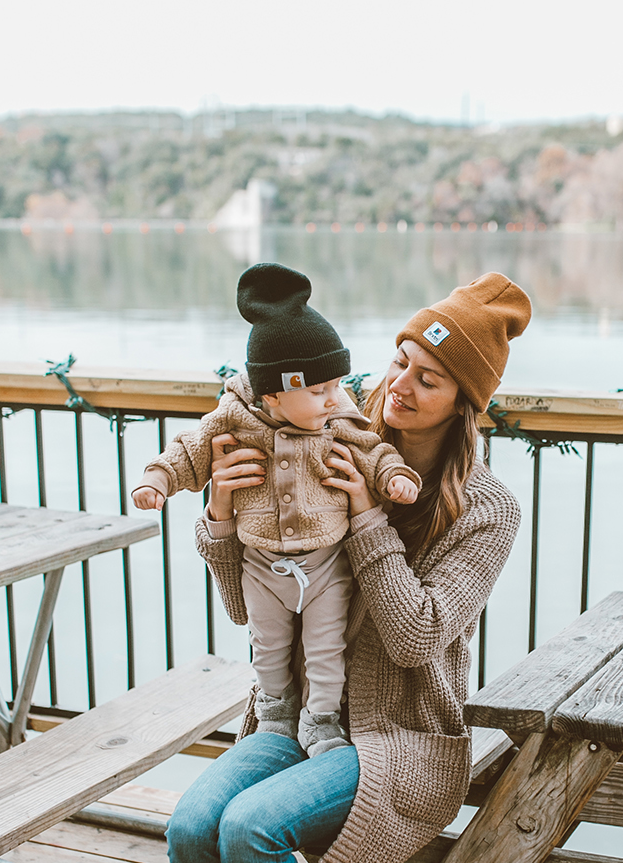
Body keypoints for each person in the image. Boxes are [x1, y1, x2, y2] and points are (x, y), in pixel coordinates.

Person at [167, 270, 531, 863]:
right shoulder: (323, 435)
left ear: (463, 403)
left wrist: (365, 512)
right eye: (399, 361)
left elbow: (415, 639)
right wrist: (221, 514)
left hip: (402, 740)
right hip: (296, 721)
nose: (398, 384)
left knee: (251, 828)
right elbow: (244, 608)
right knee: (188, 825)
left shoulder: (485, 509)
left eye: (428, 377)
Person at [132, 263, 420, 756]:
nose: (334, 399)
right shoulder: (235, 419)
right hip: (260, 565)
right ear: (273, 393)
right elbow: (191, 448)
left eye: (336, 385)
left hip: (327, 565)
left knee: (325, 649)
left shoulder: (337, 420)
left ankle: (322, 719)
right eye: (318, 390)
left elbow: (373, 450)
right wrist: (159, 478)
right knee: (267, 646)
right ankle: (275, 709)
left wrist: (394, 477)